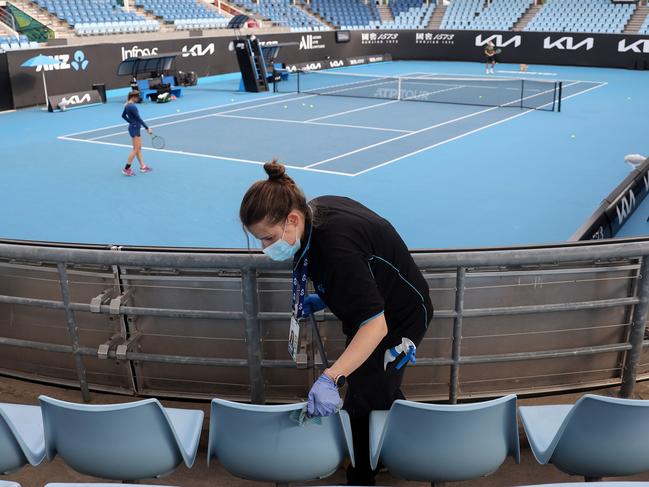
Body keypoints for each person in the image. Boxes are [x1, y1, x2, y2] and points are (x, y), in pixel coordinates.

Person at [240, 160, 434, 485]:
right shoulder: (314, 214)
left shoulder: (335, 250)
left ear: (292, 219)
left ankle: (362, 473)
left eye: (268, 238)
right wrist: (326, 298)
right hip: (376, 307)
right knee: (377, 385)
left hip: (398, 319)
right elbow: (359, 273)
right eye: (259, 239)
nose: (265, 248)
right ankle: (391, 442)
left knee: (360, 398)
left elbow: (375, 326)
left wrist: (332, 377)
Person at [121, 91, 153, 176]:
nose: (138, 99)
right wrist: (147, 128)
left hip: (134, 127)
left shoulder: (127, 105)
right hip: (135, 129)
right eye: (137, 97)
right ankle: (126, 169)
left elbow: (123, 116)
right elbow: (139, 118)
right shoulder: (132, 106)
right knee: (135, 149)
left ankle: (143, 166)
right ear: (133, 97)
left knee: (138, 149)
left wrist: (131, 122)